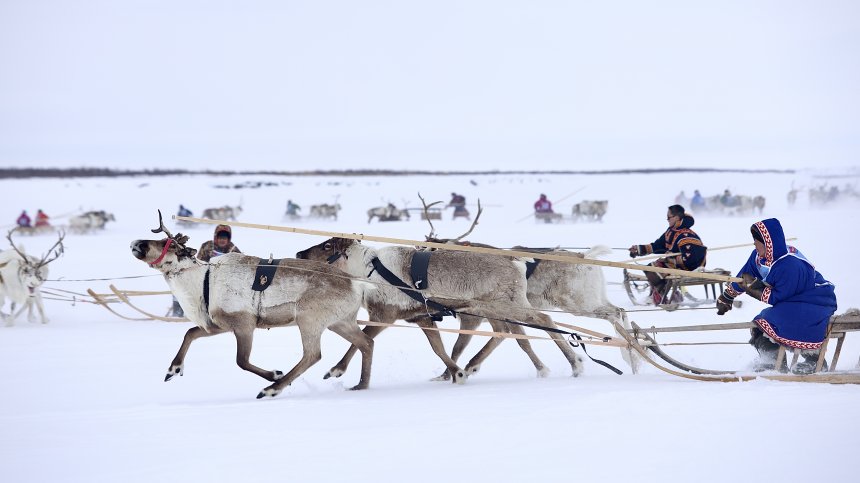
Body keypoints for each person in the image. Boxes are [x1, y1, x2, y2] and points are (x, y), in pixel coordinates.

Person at [716, 218, 837, 373]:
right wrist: (728, 296)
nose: (754, 244)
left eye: (756, 240)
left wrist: (752, 287)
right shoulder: (759, 257)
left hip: (814, 299)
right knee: (768, 320)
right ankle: (772, 361)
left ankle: (814, 361)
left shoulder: (789, 264)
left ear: (768, 242)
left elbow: (776, 296)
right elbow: (743, 277)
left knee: (773, 319)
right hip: (792, 299)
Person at [629, 205, 707, 305]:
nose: (667, 220)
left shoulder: (686, 235)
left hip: (690, 267)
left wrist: (670, 259)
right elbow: (657, 246)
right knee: (652, 267)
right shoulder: (670, 232)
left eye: (669, 217)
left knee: (653, 268)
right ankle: (665, 294)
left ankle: (660, 295)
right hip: (677, 265)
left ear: (677, 217)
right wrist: (638, 249)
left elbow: (691, 259)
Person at [170, 224, 242, 317]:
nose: (222, 240)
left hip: (223, 282)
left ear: (228, 239)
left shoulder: (233, 250)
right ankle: (178, 312)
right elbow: (198, 263)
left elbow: (239, 267)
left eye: (225, 237)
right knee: (180, 286)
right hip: (204, 276)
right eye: (220, 237)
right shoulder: (207, 246)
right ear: (216, 237)